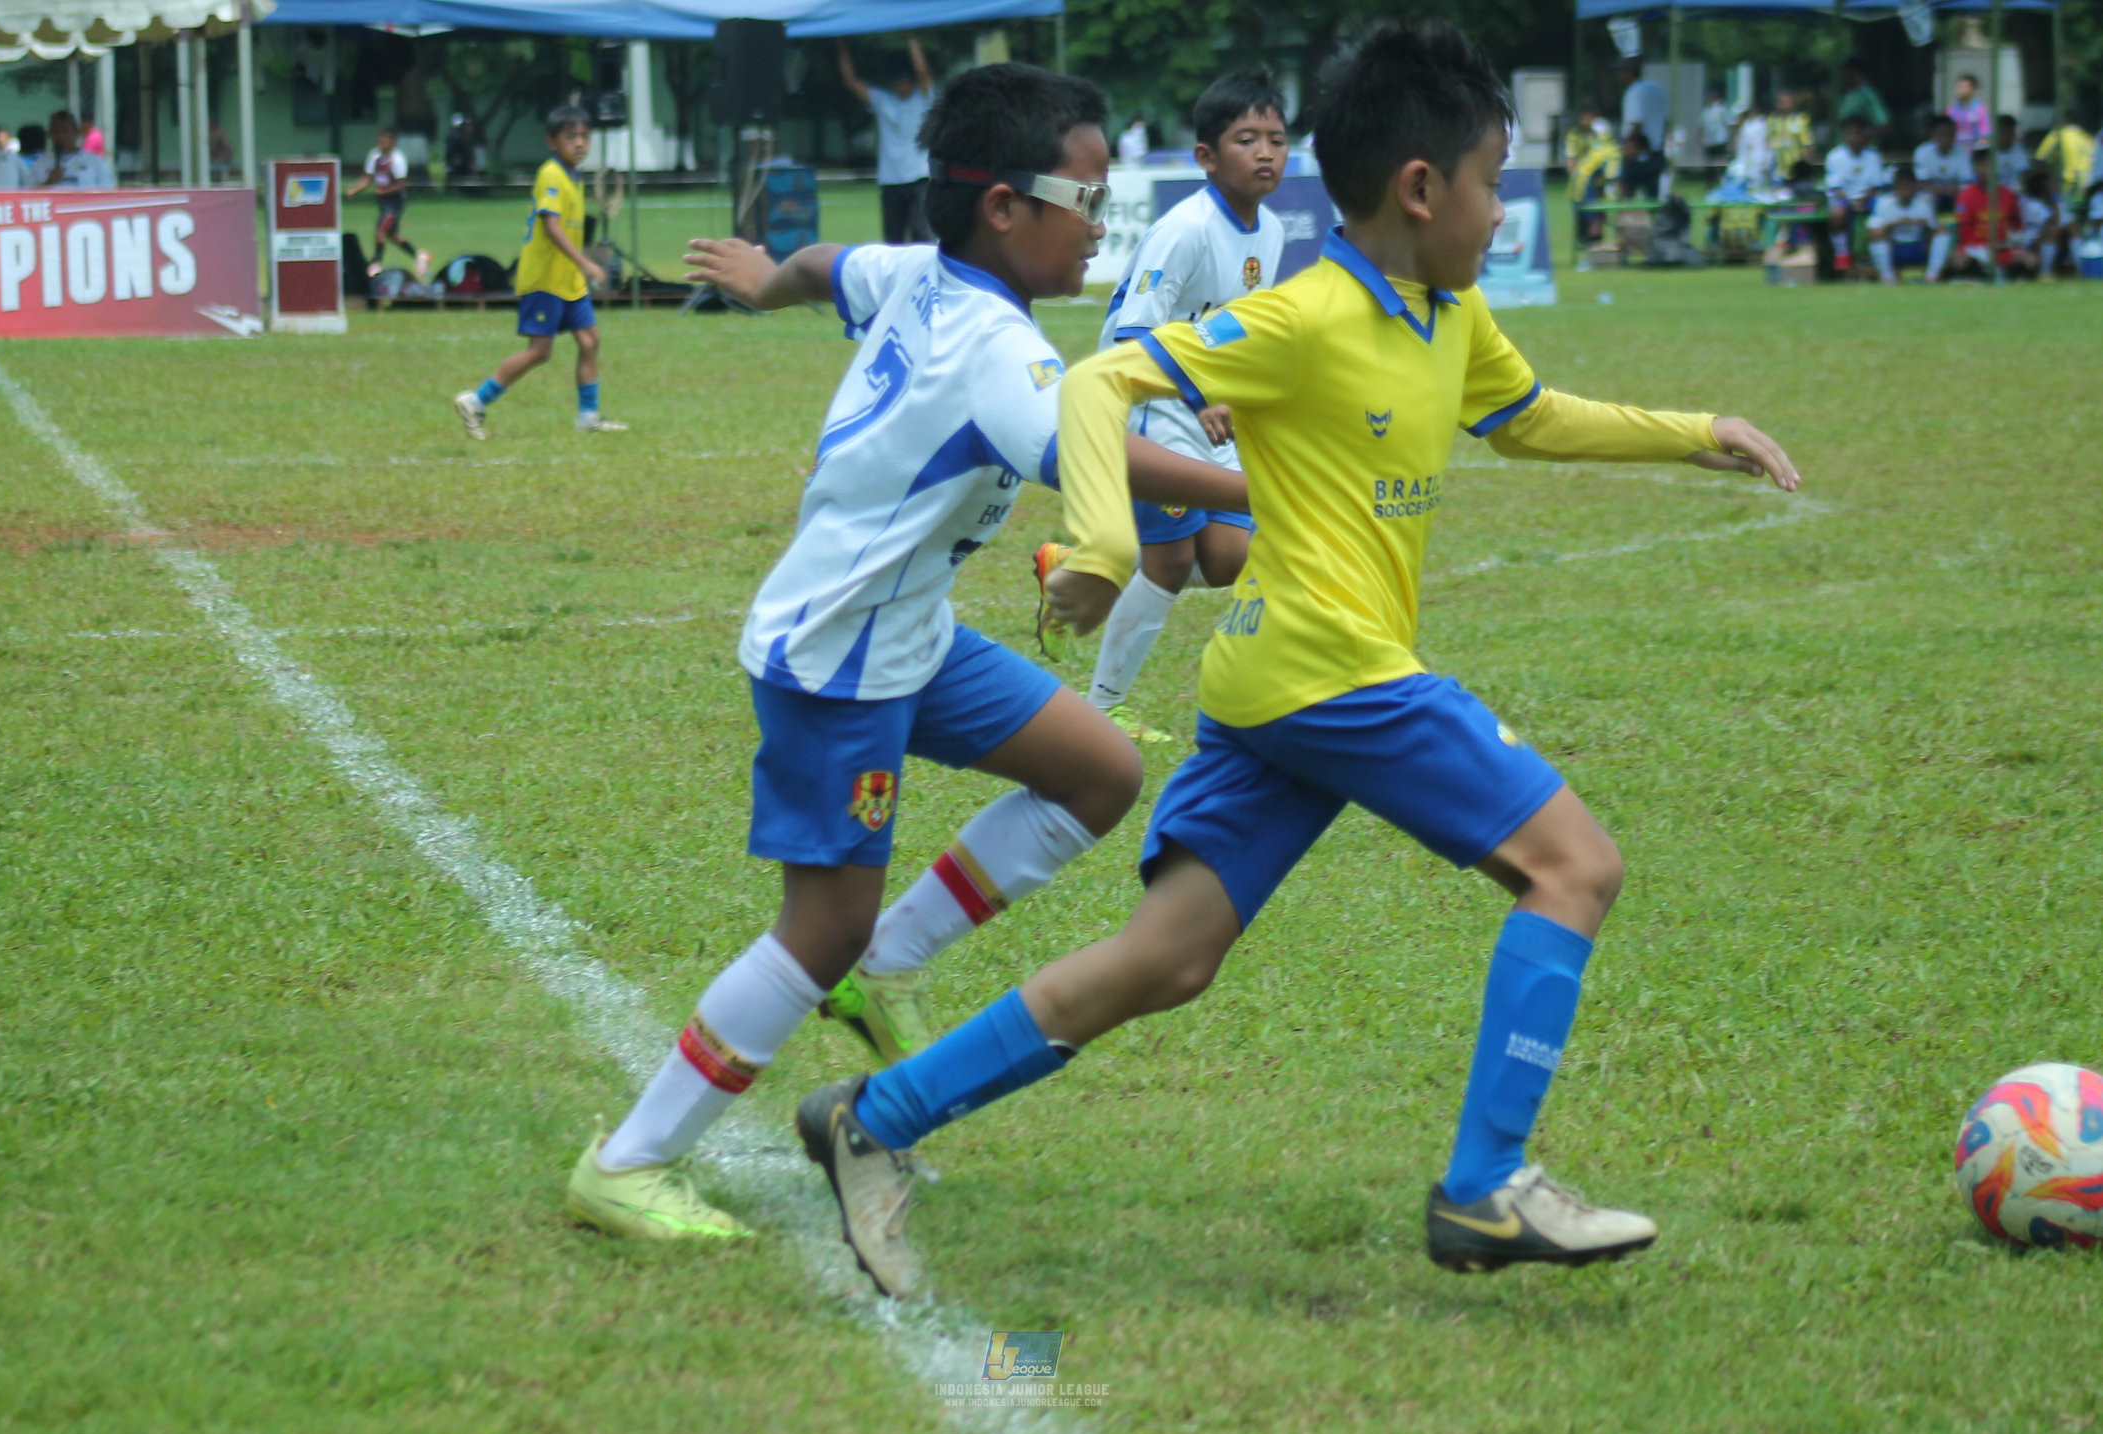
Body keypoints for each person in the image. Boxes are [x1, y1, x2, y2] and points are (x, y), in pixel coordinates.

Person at [794, 17, 1799, 1300]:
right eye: (1492, 181)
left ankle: (871, 1114)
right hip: (1333, 673)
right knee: (1575, 865)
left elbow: (1528, 416)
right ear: (1419, 187)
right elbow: (1097, 383)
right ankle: (1486, 1181)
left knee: (1166, 958)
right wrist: (1101, 541)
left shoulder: (1449, 311)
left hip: (1272, 683)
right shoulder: (1303, 317)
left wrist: (1689, 429)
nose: (1502, 210)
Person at [561, 62, 1251, 1243]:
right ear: (1001, 206)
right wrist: (1260, 484)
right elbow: (1096, 450)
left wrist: (762, 282)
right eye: (1082, 201)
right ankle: (628, 1160)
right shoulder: (996, 349)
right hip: (840, 657)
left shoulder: (924, 271)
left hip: (908, 633)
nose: (1099, 228)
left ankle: (892, 952)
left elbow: (833, 265)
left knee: (1097, 772)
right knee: (813, 926)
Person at [1040, 67, 1287, 745]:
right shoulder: (1187, 229)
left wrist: (1237, 392)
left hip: (1205, 406)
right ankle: (1101, 709)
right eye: (1247, 138)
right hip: (1148, 402)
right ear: (1206, 156)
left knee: (1233, 557)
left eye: (1277, 137)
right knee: (1171, 563)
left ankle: (1071, 559)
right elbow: (1133, 334)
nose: (1266, 151)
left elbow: (1242, 332)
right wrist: (1201, 393)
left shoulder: (1269, 234)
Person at [453, 107, 625, 438]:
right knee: (539, 351)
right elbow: (551, 226)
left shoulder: (574, 177)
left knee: (590, 341)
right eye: (571, 137)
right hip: (546, 279)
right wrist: (586, 262)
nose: (579, 143)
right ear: (552, 142)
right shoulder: (551, 174)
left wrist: (579, 268)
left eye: (584, 137)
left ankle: (588, 417)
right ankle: (475, 401)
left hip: (568, 280)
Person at [838, 34, 935, 244]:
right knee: (893, 242)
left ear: (911, 82)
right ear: (893, 83)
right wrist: (842, 45)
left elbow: (922, 71)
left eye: (906, 81)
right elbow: (851, 81)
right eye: (899, 82)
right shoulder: (884, 101)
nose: (903, 85)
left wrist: (911, 38)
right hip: (890, 180)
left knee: (922, 238)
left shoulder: (923, 98)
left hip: (919, 179)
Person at [345, 128, 430, 279]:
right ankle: (418, 255)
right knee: (392, 234)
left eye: (384, 141)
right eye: (379, 141)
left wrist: (384, 191)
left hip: (395, 201)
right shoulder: (375, 156)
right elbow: (367, 178)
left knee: (380, 230)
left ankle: (376, 263)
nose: (381, 144)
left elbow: (401, 185)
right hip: (383, 201)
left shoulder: (397, 159)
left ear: (392, 143)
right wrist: (354, 190)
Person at [1949, 148, 2035, 278]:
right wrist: (1981, 247)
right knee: (1958, 261)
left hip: (2002, 248)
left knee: (2031, 261)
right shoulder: (1966, 195)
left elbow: (2016, 225)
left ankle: (2004, 274)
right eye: (1983, 165)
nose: (1987, 170)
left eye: (1991, 165)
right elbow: (1964, 229)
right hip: (1976, 248)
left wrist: (2012, 241)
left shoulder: (2008, 194)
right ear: (1975, 168)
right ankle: (1981, 274)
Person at [1822, 114, 1887, 273]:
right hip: (1844, 199)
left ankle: (1875, 257)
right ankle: (1842, 254)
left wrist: (1863, 199)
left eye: (1858, 132)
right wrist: (1851, 200)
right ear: (1844, 135)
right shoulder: (1835, 156)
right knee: (1837, 213)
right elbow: (1835, 188)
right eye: (1850, 133)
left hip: (1868, 198)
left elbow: (1877, 186)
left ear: (1866, 134)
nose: (1854, 137)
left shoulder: (1873, 157)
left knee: (1884, 212)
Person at [1866, 166, 1949, 283]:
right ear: (1895, 187)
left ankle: (1932, 276)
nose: (1905, 191)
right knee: (1877, 237)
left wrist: (1924, 226)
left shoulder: (1923, 204)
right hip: (1895, 248)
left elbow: (1935, 229)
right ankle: (1887, 278)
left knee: (1942, 232)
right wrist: (1894, 224)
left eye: (1908, 187)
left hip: (1917, 246)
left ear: (1914, 187)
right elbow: (1872, 233)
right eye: (1901, 187)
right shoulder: (1883, 204)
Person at [1568, 107, 1620, 244]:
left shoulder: (1603, 151)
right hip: (1584, 185)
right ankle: (1592, 242)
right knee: (1592, 214)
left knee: (1595, 214)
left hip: (1586, 184)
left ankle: (1593, 243)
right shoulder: (1576, 135)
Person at [29, 111, 114, 188]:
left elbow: (107, 193)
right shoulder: (40, 164)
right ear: (49, 134)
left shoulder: (95, 162)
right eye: (55, 132)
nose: (60, 136)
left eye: (65, 131)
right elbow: (28, 196)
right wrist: (49, 182)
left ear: (76, 133)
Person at [1913, 113, 1969, 213]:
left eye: (1950, 134)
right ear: (1933, 134)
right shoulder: (1922, 151)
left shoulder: (1962, 152)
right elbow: (1921, 184)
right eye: (1942, 134)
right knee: (1925, 197)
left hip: (1954, 194)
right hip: (1933, 194)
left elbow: (1966, 182)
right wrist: (1945, 190)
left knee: (1967, 195)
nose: (1946, 138)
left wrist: (1949, 190)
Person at [2017, 168, 2064, 279]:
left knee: (2068, 230)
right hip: (2029, 243)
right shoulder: (2031, 204)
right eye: (2052, 183)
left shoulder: (2045, 203)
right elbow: (2053, 222)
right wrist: (2055, 196)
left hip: (2039, 240)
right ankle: (2044, 272)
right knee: (2052, 231)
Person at [2034, 114, 2094, 200]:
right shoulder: (2087, 137)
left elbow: (2041, 155)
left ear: (2064, 121)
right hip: (2087, 184)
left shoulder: (2060, 133)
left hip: (2068, 183)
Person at [1835, 55, 1888, 145]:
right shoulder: (1849, 94)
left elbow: (1883, 124)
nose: (1842, 75)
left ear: (1854, 71)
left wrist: (1861, 140)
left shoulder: (1867, 94)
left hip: (1864, 154)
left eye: (1845, 71)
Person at [1618, 57, 1668, 151]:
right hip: (1658, 147)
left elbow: (1635, 122)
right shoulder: (1656, 88)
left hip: (1639, 149)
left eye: (1622, 71)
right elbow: (1667, 119)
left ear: (1630, 71)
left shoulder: (1634, 91)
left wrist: (1625, 144)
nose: (1619, 74)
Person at [1766, 89, 1813, 180]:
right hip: (1776, 167)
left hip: (1794, 167)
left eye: (1784, 102)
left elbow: (1807, 145)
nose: (1780, 104)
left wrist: (1805, 167)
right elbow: (1767, 141)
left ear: (1793, 103)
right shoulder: (1772, 119)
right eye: (1779, 101)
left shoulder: (1801, 120)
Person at [1618, 129, 1665, 200]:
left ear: (1637, 147)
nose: (1626, 151)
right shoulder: (1627, 164)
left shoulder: (1655, 161)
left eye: (1628, 148)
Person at [1949, 73, 1989, 153]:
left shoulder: (1981, 110)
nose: (1960, 90)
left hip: (1974, 154)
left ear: (1973, 89)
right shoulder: (1951, 110)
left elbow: (1985, 135)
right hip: (1955, 153)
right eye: (1958, 87)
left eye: (1964, 87)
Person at [1991, 115, 2031, 185]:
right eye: (2004, 132)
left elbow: (2024, 176)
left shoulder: (2019, 152)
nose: (2007, 136)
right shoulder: (1988, 152)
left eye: (2010, 132)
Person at [1700, 85, 1732, 162]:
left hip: (1720, 140)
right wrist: (1700, 142)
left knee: (1721, 162)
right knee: (1709, 163)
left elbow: (1729, 123)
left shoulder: (1722, 109)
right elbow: (1702, 127)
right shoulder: (1706, 111)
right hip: (1709, 141)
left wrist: (1731, 140)